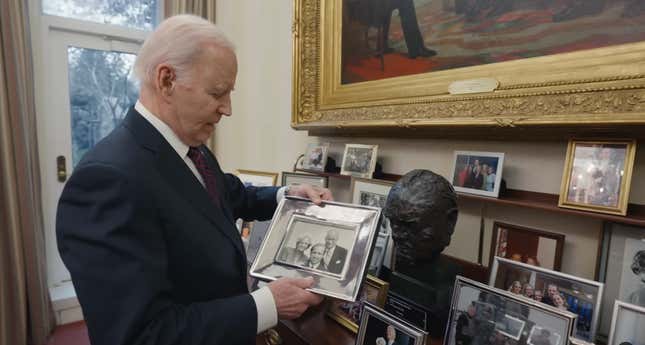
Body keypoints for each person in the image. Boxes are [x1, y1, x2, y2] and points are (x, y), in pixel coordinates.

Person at [56, 15, 332, 345]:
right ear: (167, 80)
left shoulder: (188, 148)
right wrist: (268, 304)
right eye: (217, 93)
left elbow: (225, 194)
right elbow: (140, 335)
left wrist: (286, 194)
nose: (227, 109)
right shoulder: (106, 181)